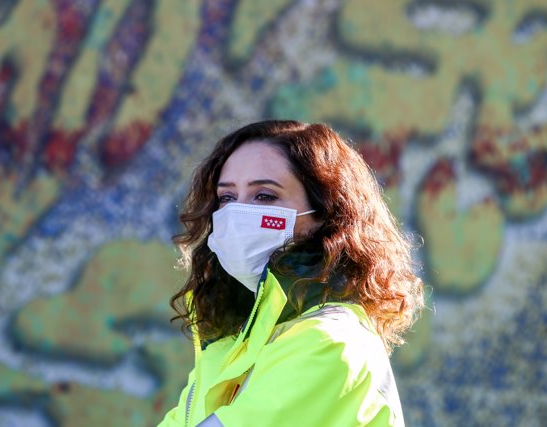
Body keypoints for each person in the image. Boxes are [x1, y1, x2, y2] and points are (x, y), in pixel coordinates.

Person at [158, 120, 424, 427]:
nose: (237, 213)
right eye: (227, 198)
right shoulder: (232, 344)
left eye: (265, 196)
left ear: (325, 214)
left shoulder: (331, 341)